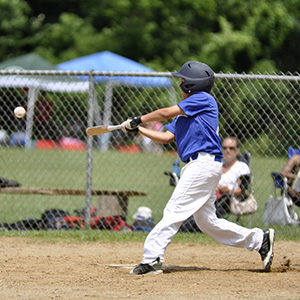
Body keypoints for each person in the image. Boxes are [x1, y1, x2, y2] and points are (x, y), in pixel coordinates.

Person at [121, 61, 274, 275]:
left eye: (183, 80)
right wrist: (139, 129)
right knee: (207, 222)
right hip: (200, 166)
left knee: (174, 210)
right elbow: (165, 137)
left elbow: (164, 112)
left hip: (202, 164)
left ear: (192, 85)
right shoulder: (185, 113)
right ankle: (260, 239)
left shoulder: (202, 99)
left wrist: (140, 118)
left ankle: (152, 258)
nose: (180, 83)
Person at [215, 137, 251, 218]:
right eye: (224, 148)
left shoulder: (242, 167)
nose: (227, 151)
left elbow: (241, 192)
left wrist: (227, 191)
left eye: (231, 148)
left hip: (228, 199)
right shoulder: (217, 165)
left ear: (237, 150)